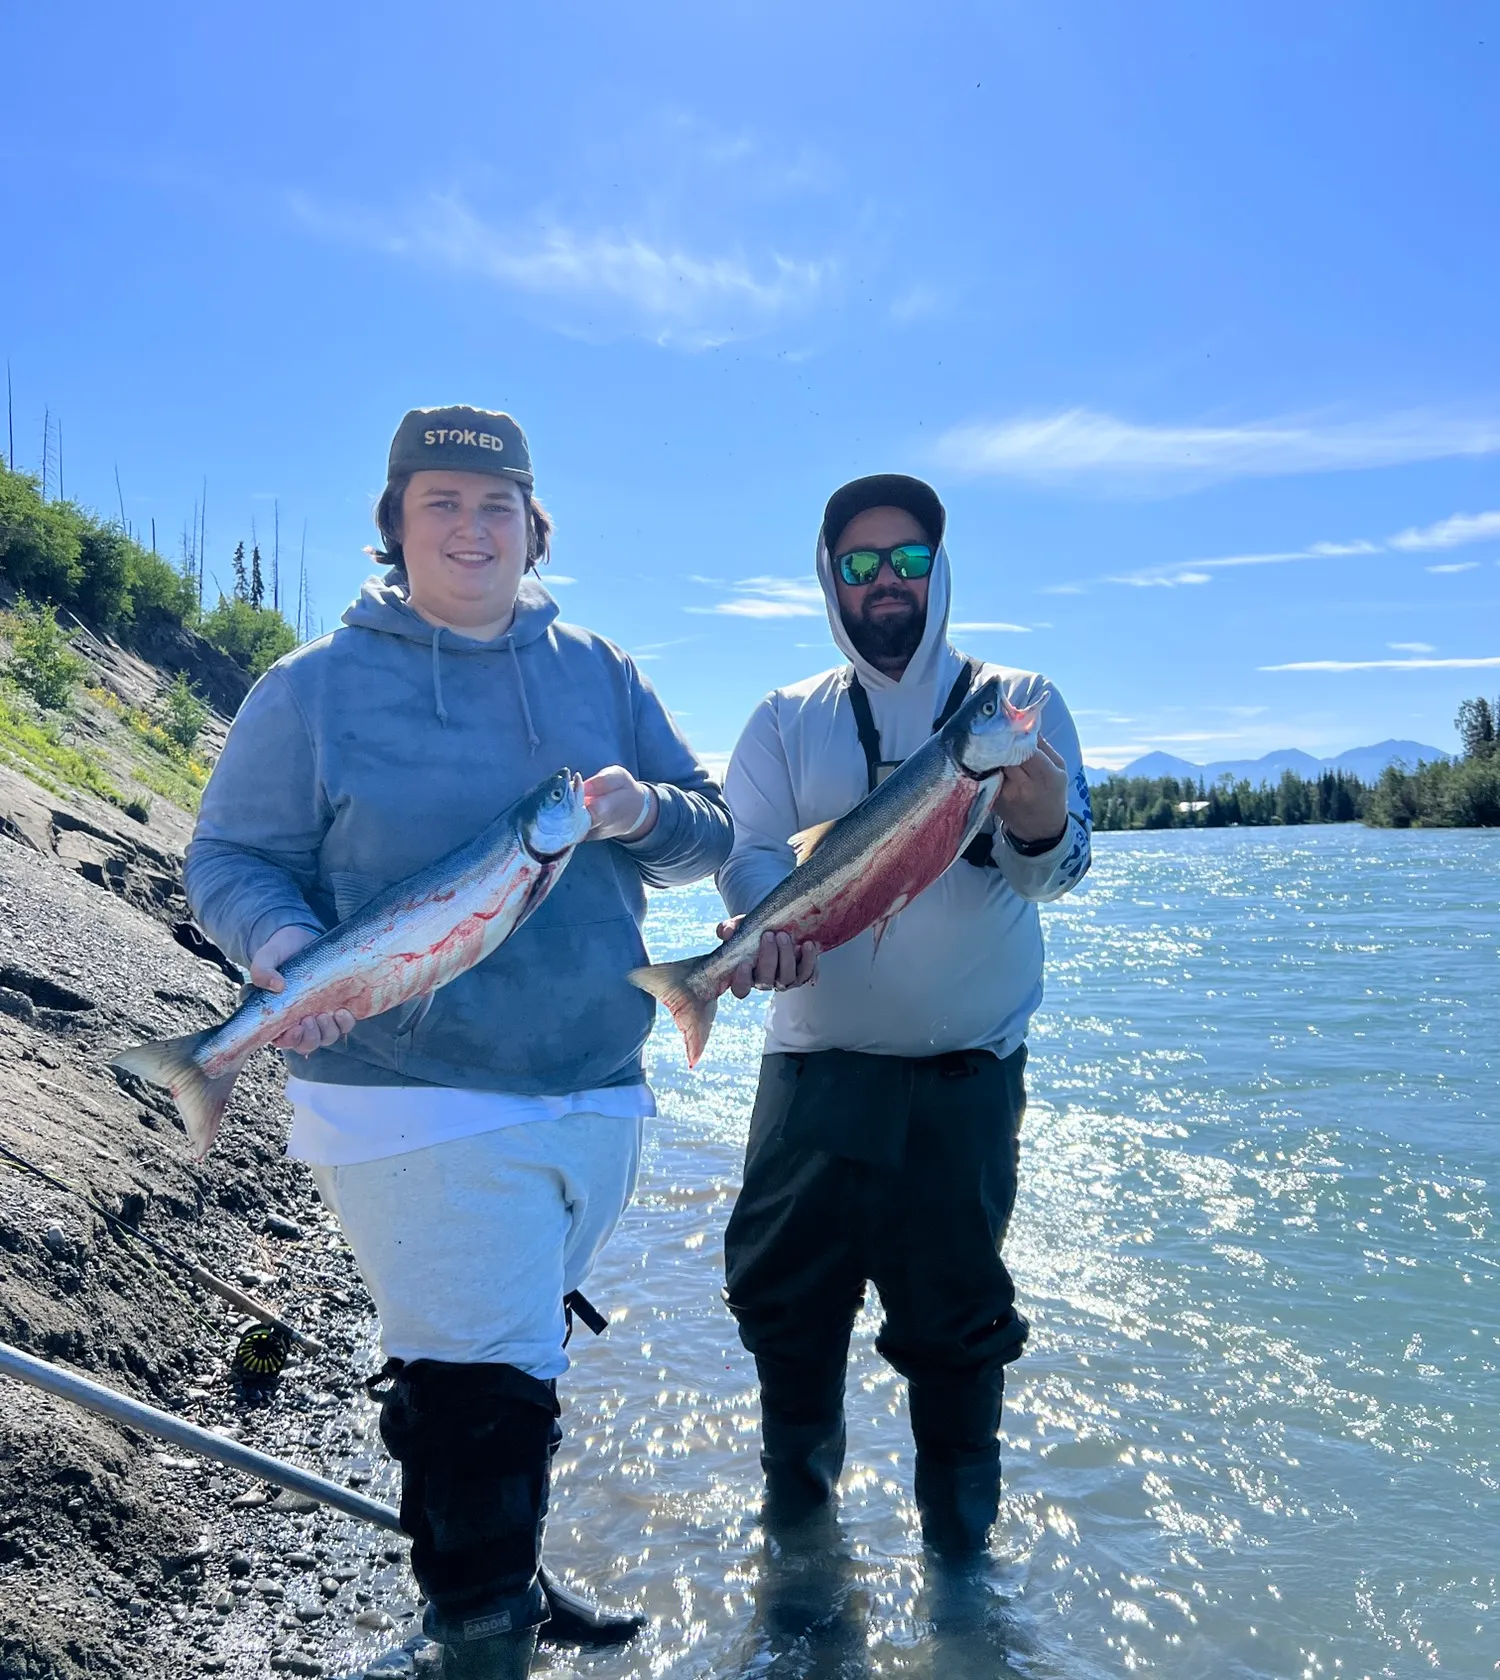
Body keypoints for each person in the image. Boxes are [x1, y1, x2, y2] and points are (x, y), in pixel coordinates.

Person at [183, 407, 733, 1678]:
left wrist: (646, 811)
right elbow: (229, 858)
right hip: (401, 1095)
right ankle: (481, 1633)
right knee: (488, 1384)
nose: (471, 528)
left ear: (535, 526)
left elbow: (707, 832)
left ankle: (504, 1576)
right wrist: (276, 951)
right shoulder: (310, 689)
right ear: (393, 523)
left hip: (597, 1084)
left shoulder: (602, 671)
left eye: (497, 506)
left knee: (498, 1357)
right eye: (441, 502)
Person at [716, 473, 1092, 1574]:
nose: (888, 581)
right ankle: (800, 1562)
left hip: (967, 1096)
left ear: (940, 572)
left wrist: (1038, 817)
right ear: (830, 578)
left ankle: (964, 1594)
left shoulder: (1019, 701)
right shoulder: (783, 720)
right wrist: (751, 927)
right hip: (812, 1084)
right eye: (863, 562)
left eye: (911, 560)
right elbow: (745, 857)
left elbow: (1061, 877)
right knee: (787, 1324)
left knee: (961, 1340)